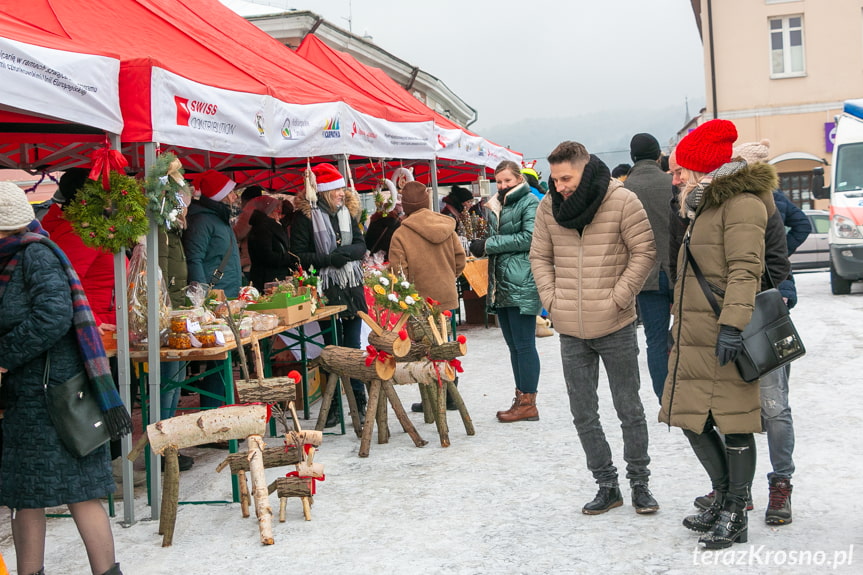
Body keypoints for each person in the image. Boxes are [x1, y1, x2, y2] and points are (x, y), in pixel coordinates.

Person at [659, 119, 778, 550]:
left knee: (734, 421)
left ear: (702, 167)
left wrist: (732, 326)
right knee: (690, 418)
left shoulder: (741, 202)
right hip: (694, 331)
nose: (674, 178)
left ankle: (735, 511)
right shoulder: (703, 204)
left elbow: (745, 269)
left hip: (725, 331)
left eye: (679, 170)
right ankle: (725, 497)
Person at [0, 182, 130, 575]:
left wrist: (4, 357)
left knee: (80, 493)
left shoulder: (34, 255)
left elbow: (53, 317)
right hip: (28, 398)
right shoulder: (10, 258)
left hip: (55, 395)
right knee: (26, 494)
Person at [531, 141, 658, 515]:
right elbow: (539, 256)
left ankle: (640, 484)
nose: (560, 186)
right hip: (571, 327)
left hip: (615, 324)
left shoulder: (622, 200)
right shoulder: (548, 207)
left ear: (584, 169)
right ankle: (606, 484)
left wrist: (618, 297)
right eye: (554, 179)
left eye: (566, 178)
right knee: (583, 412)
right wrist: (552, 299)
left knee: (629, 408)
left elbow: (644, 251)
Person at [722, 139, 811, 526]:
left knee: (774, 406)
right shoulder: (716, 202)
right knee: (730, 407)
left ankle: (781, 483)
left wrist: (768, 293)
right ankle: (736, 488)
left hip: (761, 311)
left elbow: (777, 257)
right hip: (724, 313)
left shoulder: (766, 203)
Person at [291, 163, 369, 427]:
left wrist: (344, 255)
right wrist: (328, 259)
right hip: (325, 293)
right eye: (336, 189)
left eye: (341, 188)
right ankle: (334, 403)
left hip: (352, 289)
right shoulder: (305, 218)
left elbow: (361, 245)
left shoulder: (348, 213)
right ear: (324, 191)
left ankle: (359, 401)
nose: (341, 193)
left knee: (353, 348)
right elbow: (299, 254)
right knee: (331, 350)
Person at [469, 160, 542, 423]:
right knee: (514, 346)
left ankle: (528, 402)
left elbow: (529, 237)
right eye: (498, 181)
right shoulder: (497, 204)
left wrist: (489, 244)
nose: (502, 186)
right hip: (503, 282)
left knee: (524, 345)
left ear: (519, 179)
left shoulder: (529, 202)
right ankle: (521, 398)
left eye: (507, 181)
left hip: (522, 280)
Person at [388, 181, 466, 413]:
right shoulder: (446, 226)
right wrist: (446, 278)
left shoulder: (401, 234)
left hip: (419, 301)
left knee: (426, 350)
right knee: (445, 344)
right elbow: (460, 260)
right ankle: (451, 393)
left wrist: (410, 294)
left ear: (406, 205)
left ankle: (433, 399)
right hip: (446, 297)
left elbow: (398, 273)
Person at [182, 170, 241, 414]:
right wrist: (201, 298)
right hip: (212, 301)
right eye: (231, 192)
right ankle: (213, 411)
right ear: (221, 196)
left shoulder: (219, 219)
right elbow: (194, 258)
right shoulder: (203, 221)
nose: (235, 197)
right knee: (218, 359)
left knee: (225, 358)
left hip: (227, 298)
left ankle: (221, 409)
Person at [624, 133, 674, 401]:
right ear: (658, 156)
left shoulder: (625, 189)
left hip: (646, 276)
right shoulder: (673, 182)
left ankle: (664, 397)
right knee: (688, 335)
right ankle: (689, 392)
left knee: (654, 340)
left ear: (632, 156)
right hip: (680, 272)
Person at [41, 168, 119, 335]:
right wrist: (91, 319)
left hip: (102, 320)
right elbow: (64, 281)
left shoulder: (87, 228)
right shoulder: (79, 233)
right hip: (95, 326)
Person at [156, 184, 195, 471]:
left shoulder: (173, 231)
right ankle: (163, 447)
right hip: (167, 315)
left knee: (175, 382)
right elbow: (159, 277)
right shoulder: (162, 232)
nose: (187, 208)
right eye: (185, 202)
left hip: (177, 311)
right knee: (167, 384)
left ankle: (171, 444)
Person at [247, 195, 300, 291]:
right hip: (267, 280)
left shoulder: (271, 226)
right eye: (277, 210)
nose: (279, 214)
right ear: (270, 210)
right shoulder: (262, 228)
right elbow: (266, 255)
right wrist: (288, 258)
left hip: (275, 277)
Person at [233, 185, 265, 282]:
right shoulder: (266, 210)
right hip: (261, 260)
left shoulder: (249, 212)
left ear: (246, 200)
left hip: (249, 261)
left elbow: (237, 234)